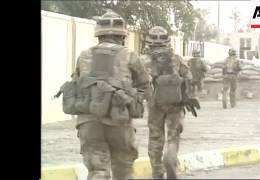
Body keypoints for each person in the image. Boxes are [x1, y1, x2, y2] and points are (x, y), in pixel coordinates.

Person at [68, 10, 150, 180]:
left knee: (97, 171)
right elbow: (146, 87)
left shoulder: (84, 55)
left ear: (99, 35)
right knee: (124, 171)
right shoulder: (129, 55)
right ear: (122, 36)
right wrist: (133, 99)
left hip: (88, 122)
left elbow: (76, 84)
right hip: (119, 122)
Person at [144, 26, 192, 179]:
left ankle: (158, 173)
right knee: (173, 136)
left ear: (149, 41)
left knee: (155, 139)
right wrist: (186, 96)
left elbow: (140, 83)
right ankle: (170, 156)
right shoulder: (176, 58)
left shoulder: (145, 60)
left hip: (155, 105)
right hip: (175, 104)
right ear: (167, 41)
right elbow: (188, 77)